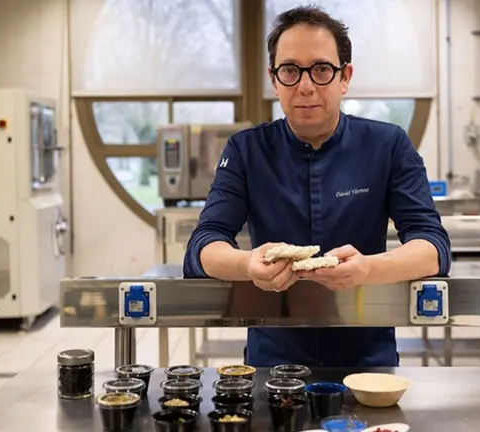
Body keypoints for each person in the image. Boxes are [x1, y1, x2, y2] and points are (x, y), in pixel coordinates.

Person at [184, 5, 451, 368]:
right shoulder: (246, 151)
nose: (306, 86)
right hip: (273, 360)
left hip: (367, 358)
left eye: (322, 69)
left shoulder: (388, 146)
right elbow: (204, 246)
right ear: (274, 79)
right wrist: (248, 264)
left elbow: (432, 249)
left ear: (345, 77)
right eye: (291, 71)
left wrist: (367, 269)